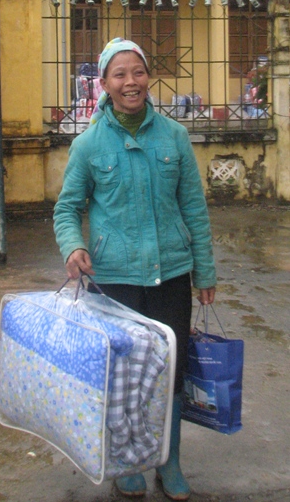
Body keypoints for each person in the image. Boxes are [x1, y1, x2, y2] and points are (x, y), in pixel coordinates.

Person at [53, 38, 216, 501]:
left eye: (138, 72)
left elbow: (194, 207)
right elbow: (67, 208)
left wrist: (205, 271)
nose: (131, 82)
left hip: (172, 273)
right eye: (120, 74)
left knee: (171, 370)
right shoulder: (88, 144)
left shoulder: (174, 137)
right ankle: (126, 460)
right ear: (104, 84)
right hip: (115, 279)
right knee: (122, 372)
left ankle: (169, 460)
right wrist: (73, 246)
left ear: (148, 78)